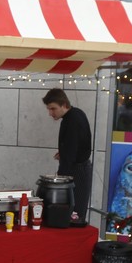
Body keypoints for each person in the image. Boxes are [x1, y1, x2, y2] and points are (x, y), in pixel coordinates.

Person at [42, 88, 93, 225]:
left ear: (64, 105)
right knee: (74, 212)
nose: (50, 113)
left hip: (77, 171)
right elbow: (78, 144)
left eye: (53, 109)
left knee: (73, 215)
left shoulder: (72, 120)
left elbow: (71, 152)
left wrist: (60, 179)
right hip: (79, 168)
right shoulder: (76, 114)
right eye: (49, 109)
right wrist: (64, 153)